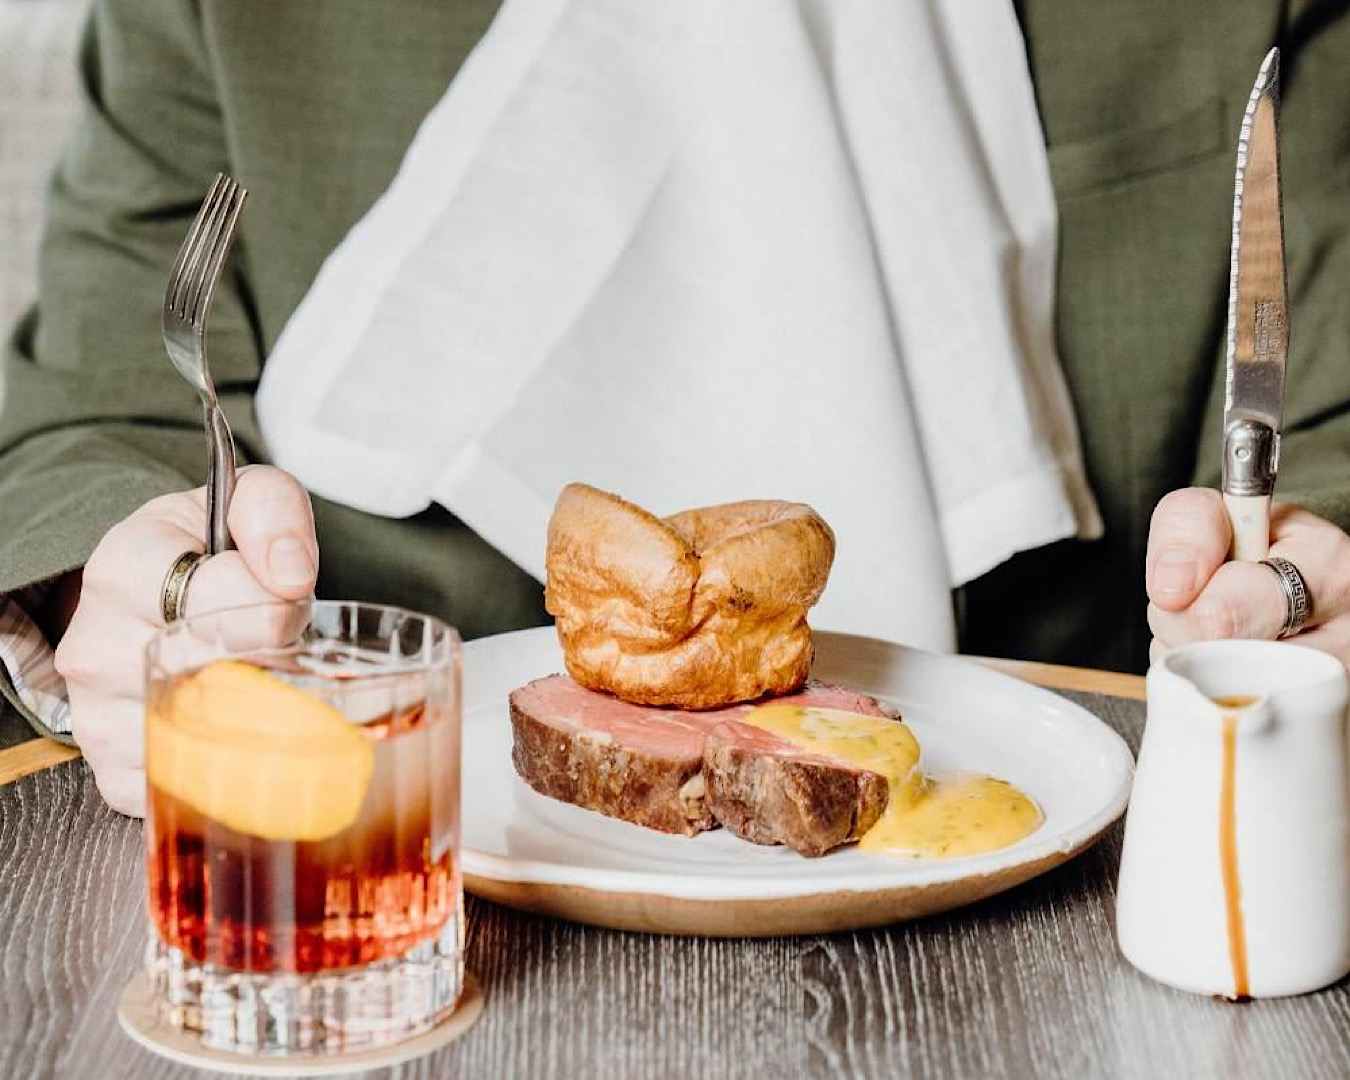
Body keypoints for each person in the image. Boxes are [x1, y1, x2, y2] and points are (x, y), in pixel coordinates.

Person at [2, 0, 1349, 817]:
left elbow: (1329, 444)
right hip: (361, 837)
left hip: (1068, 849)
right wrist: (124, 596)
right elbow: (96, 407)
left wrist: (1307, 580)